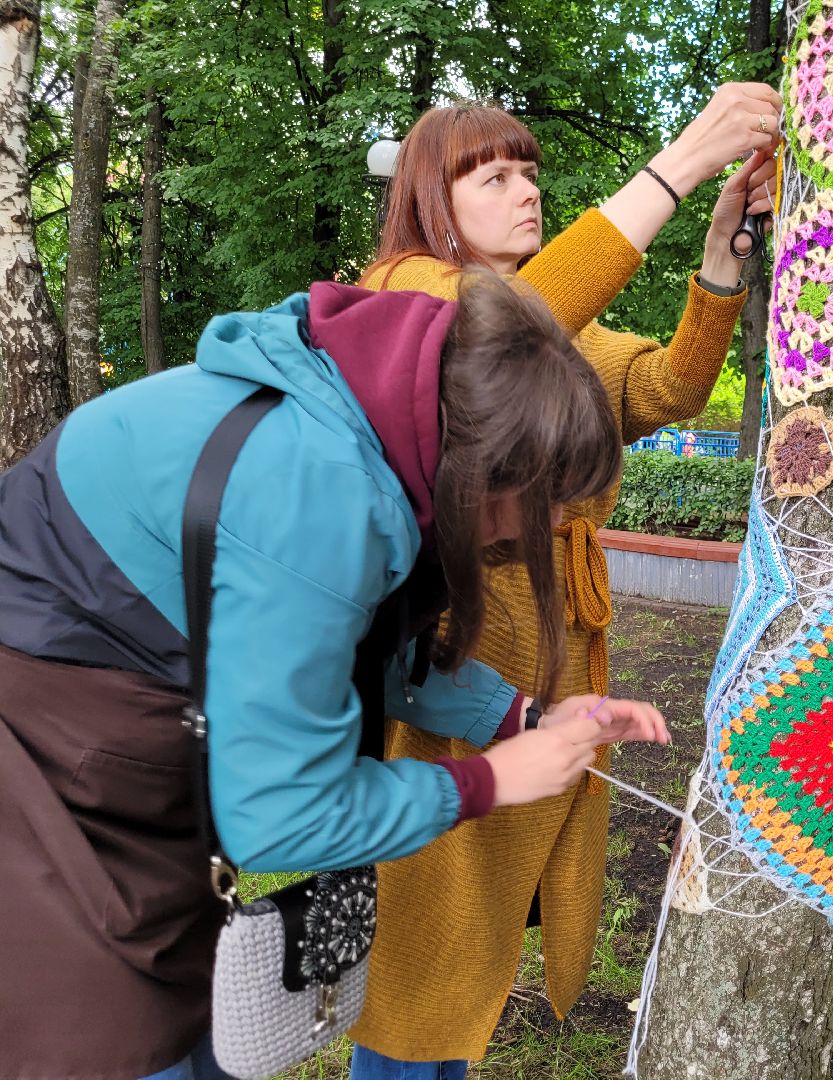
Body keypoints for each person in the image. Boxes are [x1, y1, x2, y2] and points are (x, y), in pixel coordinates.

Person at [0, 270, 673, 1080]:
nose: (560, 523)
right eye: (554, 498)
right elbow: (279, 819)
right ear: (490, 469)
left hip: (119, 733)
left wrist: (523, 719)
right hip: (48, 757)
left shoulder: (374, 422)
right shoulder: (323, 499)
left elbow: (346, 650)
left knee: (186, 1016)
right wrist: (485, 784)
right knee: (126, 1042)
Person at [346, 82, 780, 1075]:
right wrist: (681, 163)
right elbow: (480, 336)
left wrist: (718, 264)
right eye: (494, 176)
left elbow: (670, 385)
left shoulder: (558, 325)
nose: (526, 193)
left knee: (488, 924)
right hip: (450, 646)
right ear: (429, 199)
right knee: (431, 932)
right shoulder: (403, 290)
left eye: (531, 173)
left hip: (561, 643)